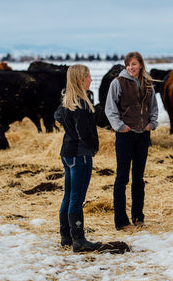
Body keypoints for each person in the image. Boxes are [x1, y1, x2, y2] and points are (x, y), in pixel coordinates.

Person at [105, 51, 159, 230]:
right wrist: (120, 126)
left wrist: (152, 124)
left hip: (142, 134)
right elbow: (110, 108)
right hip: (125, 135)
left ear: (141, 65)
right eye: (128, 65)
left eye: (134, 64)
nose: (131, 67)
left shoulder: (148, 84)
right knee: (122, 177)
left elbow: (153, 107)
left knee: (139, 177)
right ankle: (121, 222)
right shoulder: (118, 83)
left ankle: (138, 217)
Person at [54, 64, 102, 252]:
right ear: (81, 79)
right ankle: (79, 240)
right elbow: (85, 132)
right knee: (76, 197)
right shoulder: (82, 103)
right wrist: (93, 146)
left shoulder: (68, 100)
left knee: (68, 194)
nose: (91, 80)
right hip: (80, 155)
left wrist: (70, 130)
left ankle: (66, 236)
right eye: (88, 76)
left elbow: (57, 115)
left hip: (67, 153)